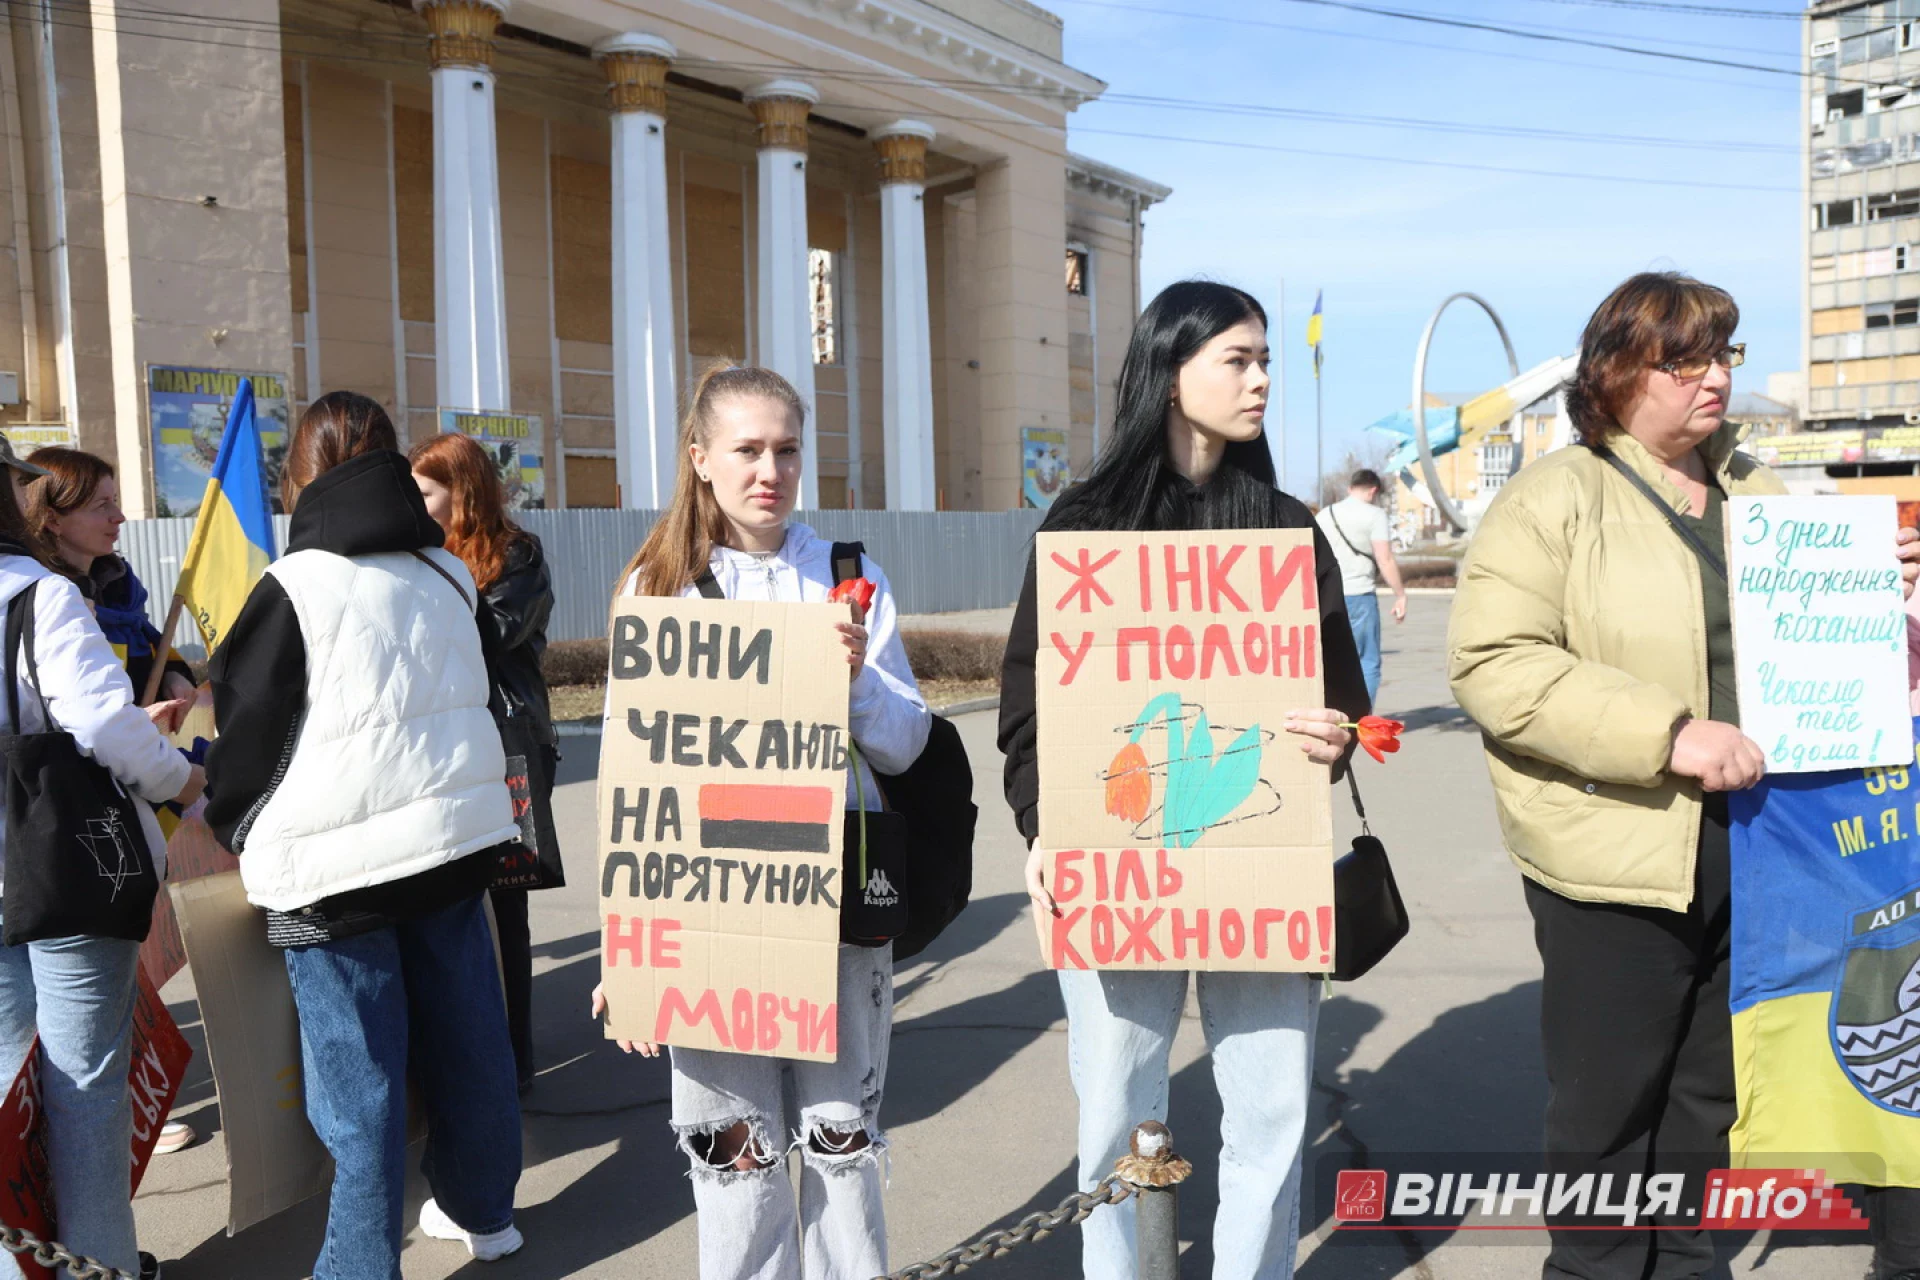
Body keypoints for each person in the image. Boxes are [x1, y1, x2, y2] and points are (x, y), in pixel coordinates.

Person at [1448, 271, 1920, 1280]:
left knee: (1709, 1089)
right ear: (1618, 372)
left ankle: (1686, 1259)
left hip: (1766, 837)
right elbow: (1497, 665)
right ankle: (1595, 1267)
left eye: (1725, 354)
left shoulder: (1763, 483)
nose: (1715, 378)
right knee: (1609, 1099)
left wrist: (1886, 590)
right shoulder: (1555, 497)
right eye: (1687, 359)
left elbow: (1819, 642)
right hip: (1619, 845)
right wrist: (1668, 734)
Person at [998, 280, 1371, 1280]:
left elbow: (1347, 696)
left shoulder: (1290, 529)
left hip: (1260, 861)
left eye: (1264, 362)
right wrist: (1047, 829)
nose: (1259, 382)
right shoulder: (1082, 525)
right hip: (1119, 866)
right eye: (1237, 360)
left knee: (1270, 1112)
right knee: (1116, 1109)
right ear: (1171, 373)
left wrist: (1337, 735)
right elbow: (1029, 702)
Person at [589, 363, 930, 1280]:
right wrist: (631, 952)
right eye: (746, 450)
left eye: (786, 449)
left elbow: (906, 745)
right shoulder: (656, 586)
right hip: (713, 916)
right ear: (700, 458)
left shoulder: (849, 576)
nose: (768, 471)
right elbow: (632, 779)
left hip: (837, 919)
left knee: (841, 1149)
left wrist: (855, 683)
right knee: (734, 1163)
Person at [203, 392, 525, 1280]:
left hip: (336, 872)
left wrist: (236, 824)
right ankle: (486, 1214)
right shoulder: (447, 573)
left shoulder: (291, 587)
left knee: (361, 1096)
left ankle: (357, 1267)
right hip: (454, 848)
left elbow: (251, 740)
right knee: (471, 1043)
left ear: (301, 477)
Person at [0, 436, 205, 1280]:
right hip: (65, 870)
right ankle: (101, 1269)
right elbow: (105, 725)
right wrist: (182, 781)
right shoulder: (39, 595)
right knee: (85, 1090)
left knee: (11, 1090)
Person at [409, 431, 556, 1092]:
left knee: (506, 907)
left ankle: (515, 1061)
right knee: (451, 905)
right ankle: (465, 1057)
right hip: (442, 747)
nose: (415, 502)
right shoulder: (418, 556)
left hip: (507, 742)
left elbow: (489, 633)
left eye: (425, 490)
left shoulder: (518, 554)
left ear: (459, 491)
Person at [1314, 468, 1406, 705]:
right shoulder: (1375, 515)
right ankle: (1363, 721)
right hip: (1361, 596)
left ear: (1350, 488)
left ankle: (1335, 715)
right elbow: (1384, 559)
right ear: (1373, 490)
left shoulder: (1325, 514)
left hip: (1327, 596)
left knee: (1332, 661)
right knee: (1367, 661)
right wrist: (1400, 594)